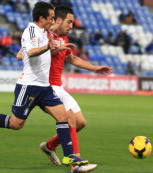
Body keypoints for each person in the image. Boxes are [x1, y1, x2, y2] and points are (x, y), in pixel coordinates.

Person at [0, 2, 88, 168]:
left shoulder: (44, 32)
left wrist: (57, 49)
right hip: (28, 86)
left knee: (64, 116)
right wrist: (48, 46)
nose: (53, 21)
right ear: (41, 18)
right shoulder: (31, 31)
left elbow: (43, 54)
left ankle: (70, 156)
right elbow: (30, 52)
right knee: (16, 124)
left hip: (45, 87)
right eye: (51, 18)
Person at [17, 5, 112, 172]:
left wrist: (95, 68)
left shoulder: (64, 39)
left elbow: (73, 59)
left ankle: (49, 146)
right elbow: (21, 54)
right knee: (70, 119)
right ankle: (76, 163)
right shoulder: (44, 34)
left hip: (59, 86)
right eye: (69, 22)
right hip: (46, 86)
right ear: (58, 20)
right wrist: (50, 50)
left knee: (81, 122)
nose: (71, 26)